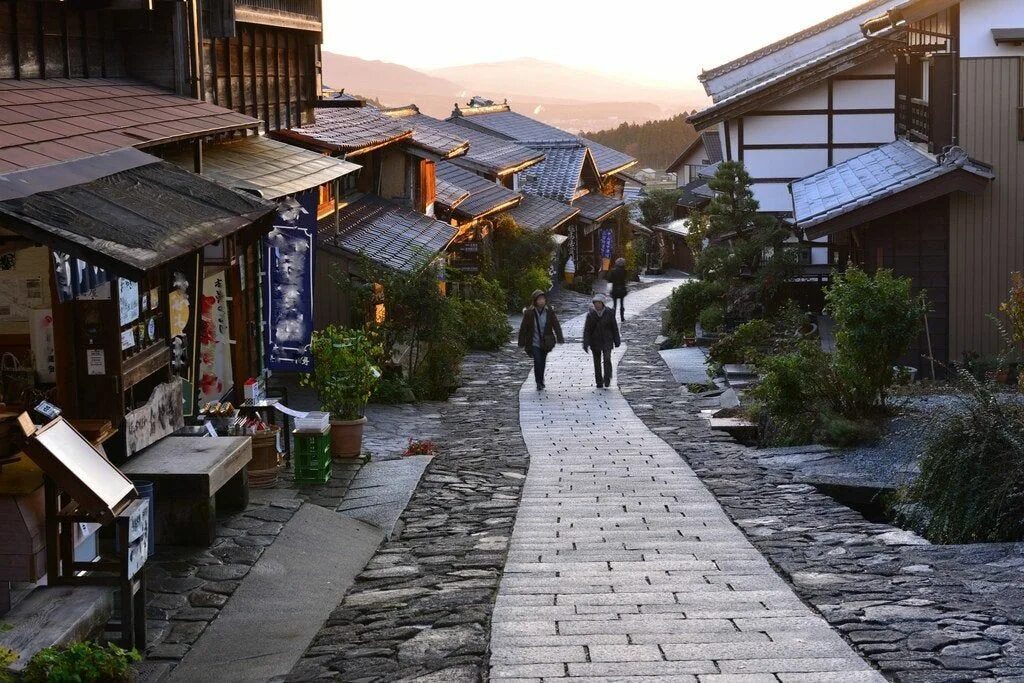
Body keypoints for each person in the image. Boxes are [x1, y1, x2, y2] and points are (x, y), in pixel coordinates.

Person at [517, 289, 564, 390]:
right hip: (534, 342)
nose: (541, 301)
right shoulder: (529, 313)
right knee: (537, 361)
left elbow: (555, 324)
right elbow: (523, 328)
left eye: (543, 299)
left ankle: (541, 379)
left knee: (542, 361)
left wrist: (559, 337)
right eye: (539, 299)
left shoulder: (549, 311)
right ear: (535, 301)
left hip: (546, 342)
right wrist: (521, 342)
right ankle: (538, 382)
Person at [583, 293, 621, 388]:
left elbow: (614, 327)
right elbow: (587, 330)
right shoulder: (591, 315)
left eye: (599, 303)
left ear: (603, 303)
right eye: (595, 303)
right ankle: (599, 381)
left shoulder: (609, 313)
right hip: (595, 341)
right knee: (597, 362)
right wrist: (586, 343)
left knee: (607, 359)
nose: (597, 305)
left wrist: (617, 339)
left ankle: (607, 377)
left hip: (607, 340)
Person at [609, 257, 628, 322]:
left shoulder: (613, 271)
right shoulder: (624, 271)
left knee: (614, 305)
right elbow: (625, 279)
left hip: (615, 289)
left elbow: (610, 280)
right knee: (622, 304)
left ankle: (613, 318)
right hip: (622, 289)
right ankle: (622, 318)